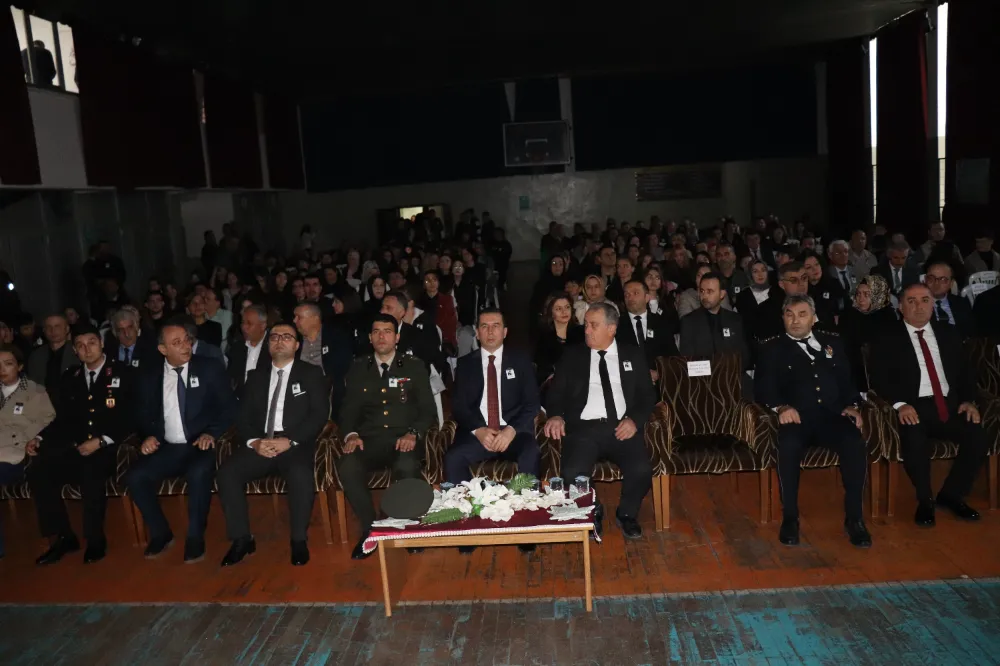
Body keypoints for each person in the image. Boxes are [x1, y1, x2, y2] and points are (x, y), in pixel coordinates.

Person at [868, 283, 988, 527]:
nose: (919, 306)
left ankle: (952, 495)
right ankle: (925, 500)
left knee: (978, 435)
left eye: (925, 300)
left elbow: (966, 373)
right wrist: (900, 404)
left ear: (933, 304)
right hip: (913, 407)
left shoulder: (949, 333)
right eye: (911, 301)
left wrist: (969, 401)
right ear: (901, 307)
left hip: (950, 405)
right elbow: (878, 378)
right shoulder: (887, 338)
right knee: (914, 438)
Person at [756, 294, 871, 547]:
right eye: (789, 315)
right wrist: (781, 407)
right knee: (788, 446)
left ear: (814, 318)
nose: (795, 320)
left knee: (854, 442)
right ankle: (790, 518)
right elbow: (763, 387)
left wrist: (852, 406)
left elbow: (846, 380)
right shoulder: (771, 348)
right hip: (797, 418)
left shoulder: (832, 343)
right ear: (783, 318)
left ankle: (855, 519)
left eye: (802, 314)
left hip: (832, 416)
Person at [217, 322, 330, 567]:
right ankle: (242, 539)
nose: (279, 340)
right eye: (275, 337)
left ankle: (298, 540)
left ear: (297, 345)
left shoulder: (310, 373)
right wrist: (255, 441)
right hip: (263, 443)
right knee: (227, 473)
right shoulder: (255, 376)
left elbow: (319, 414)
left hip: (294, 443)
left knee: (300, 474)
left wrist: (290, 440)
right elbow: (243, 417)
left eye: (286, 337)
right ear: (268, 344)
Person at [542, 302, 657, 540]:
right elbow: (555, 394)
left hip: (621, 426)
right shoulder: (573, 356)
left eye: (593, 325)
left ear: (611, 328)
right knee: (572, 472)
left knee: (641, 470)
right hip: (584, 428)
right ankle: (593, 510)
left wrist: (634, 421)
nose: (586, 330)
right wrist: (555, 414)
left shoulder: (632, 354)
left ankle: (627, 514)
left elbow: (648, 395)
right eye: (586, 325)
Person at [126, 319, 236, 563]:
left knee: (198, 473)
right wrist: (148, 436)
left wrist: (212, 433)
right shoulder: (149, 376)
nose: (186, 346)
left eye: (187, 340)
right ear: (163, 349)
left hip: (200, 444)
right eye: (177, 343)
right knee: (136, 476)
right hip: (167, 447)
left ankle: (195, 537)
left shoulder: (209, 368)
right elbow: (141, 414)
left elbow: (229, 408)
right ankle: (161, 532)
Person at [27, 325, 135, 565]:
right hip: (77, 447)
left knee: (90, 470)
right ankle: (63, 536)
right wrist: (40, 438)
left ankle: (95, 539)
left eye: (92, 342)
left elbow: (130, 417)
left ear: (102, 343)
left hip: (110, 448)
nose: (87, 349)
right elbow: (63, 419)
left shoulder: (123, 372)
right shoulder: (71, 377)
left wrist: (101, 440)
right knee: (40, 470)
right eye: (80, 345)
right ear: (75, 351)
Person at [337, 314, 435, 560]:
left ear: (397, 337)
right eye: (377, 332)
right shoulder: (359, 367)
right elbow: (347, 410)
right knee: (348, 466)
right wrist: (351, 435)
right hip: (368, 440)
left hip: (404, 438)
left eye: (388, 331)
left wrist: (413, 433)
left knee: (406, 465)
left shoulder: (413, 366)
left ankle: (406, 527)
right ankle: (371, 529)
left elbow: (427, 410)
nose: (382, 336)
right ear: (370, 338)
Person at [445, 309, 541, 555]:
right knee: (453, 458)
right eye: (484, 326)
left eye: (496, 325)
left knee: (530, 452)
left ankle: (525, 524)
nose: (490, 331)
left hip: (513, 433)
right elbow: (459, 406)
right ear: (477, 333)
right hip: (479, 433)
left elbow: (532, 404)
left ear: (505, 331)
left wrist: (511, 430)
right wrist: (478, 430)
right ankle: (468, 524)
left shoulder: (521, 361)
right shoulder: (465, 364)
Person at [0, 344, 56, 559]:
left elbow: (48, 422)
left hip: (17, 455)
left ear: (20, 366)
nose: (2, 369)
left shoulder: (35, 391)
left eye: (8, 363)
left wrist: (26, 435)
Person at [679, 272, 750, 372]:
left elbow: (744, 357)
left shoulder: (735, 320)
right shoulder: (689, 322)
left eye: (710, 291)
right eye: (702, 291)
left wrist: (728, 371)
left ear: (722, 294)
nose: (704, 296)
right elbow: (687, 361)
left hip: (732, 376)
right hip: (703, 378)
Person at [838, 275, 897, 392]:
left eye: (867, 294)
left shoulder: (888, 316)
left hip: (882, 371)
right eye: (858, 294)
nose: (861, 299)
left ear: (877, 295)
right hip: (854, 371)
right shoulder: (848, 315)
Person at [616, 279, 678, 380]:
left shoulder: (661, 323)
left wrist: (660, 373)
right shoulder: (616, 325)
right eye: (626, 295)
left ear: (647, 297)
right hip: (628, 382)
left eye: (635, 293)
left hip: (658, 383)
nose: (630, 298)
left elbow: (673, 356)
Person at [26, 314, 79, 409]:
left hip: (72, 406)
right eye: (48, 327)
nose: (53, 331)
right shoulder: (36, 355)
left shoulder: (77, 352)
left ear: (67, 329)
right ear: (44, 330)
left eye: (57, 326)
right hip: (43, 406)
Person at [534, 293, 585, 387]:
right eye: (558, 309)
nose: (564, 312)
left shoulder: (582, 333)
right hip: (554, 385)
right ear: (551, 313)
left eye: (567, 307)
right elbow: (542, 370)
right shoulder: (543, 338)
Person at [226, 304, 270, 399]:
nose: (244, 327)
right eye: (243, 323)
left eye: (249, 324)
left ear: (263, 326)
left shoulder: (273, 347)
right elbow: (231, 379)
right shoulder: (237, 347)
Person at [923, 261, 973, 338]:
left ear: (951, 283)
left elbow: (970, 332)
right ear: (925, 280)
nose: (936, 283)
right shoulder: (918, 305)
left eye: (943, 279)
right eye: (931, 278)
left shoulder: (962, 303)